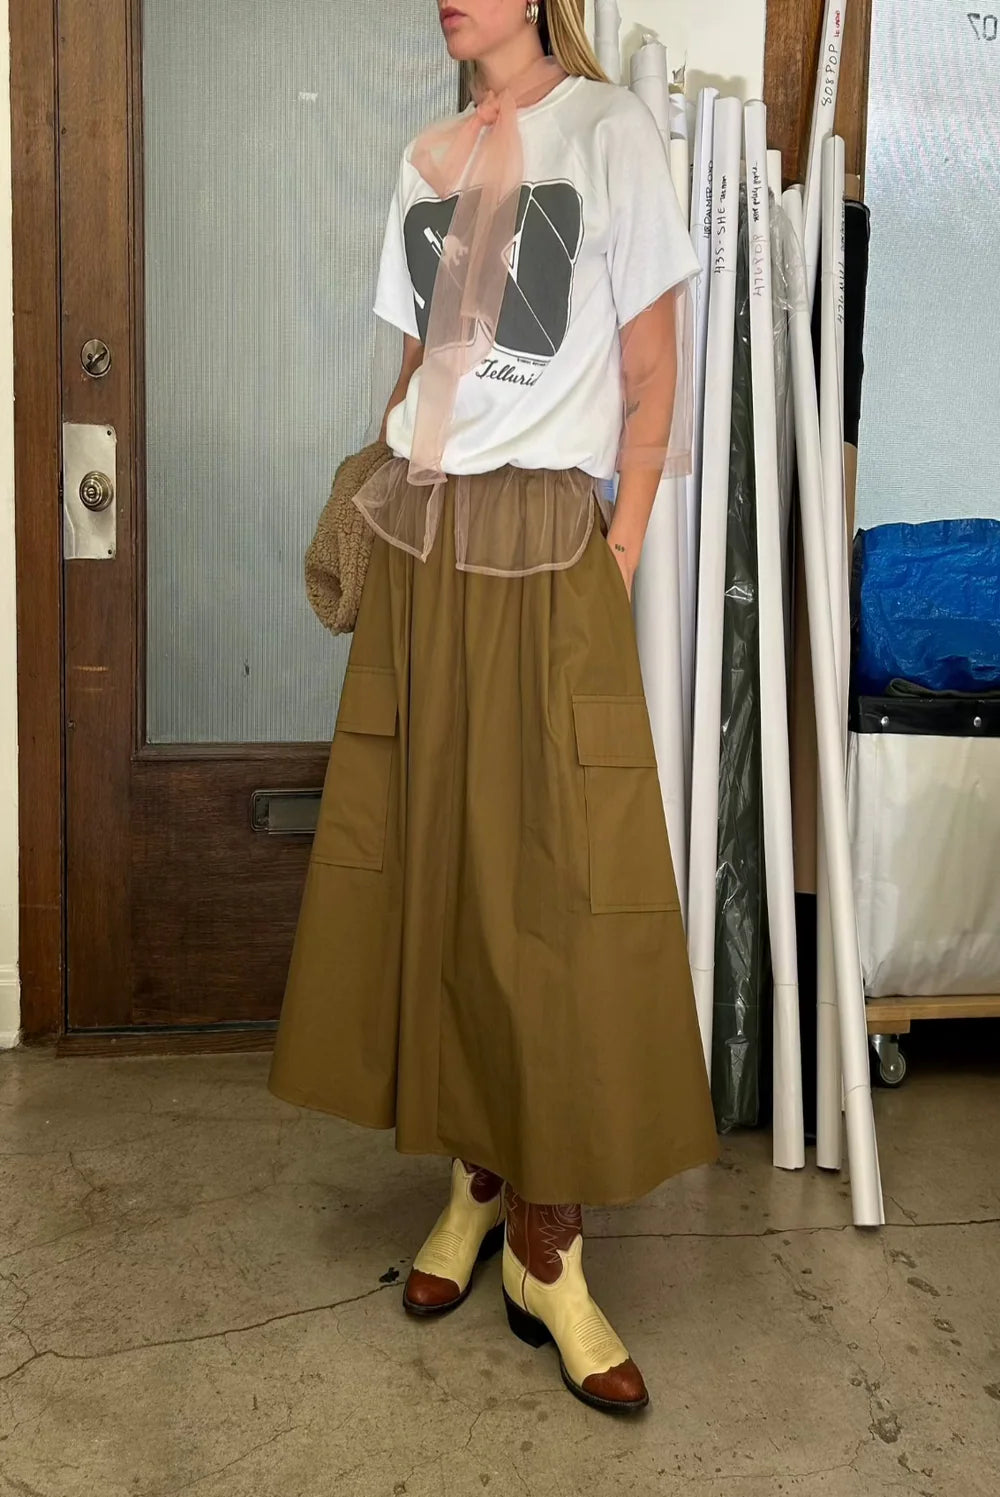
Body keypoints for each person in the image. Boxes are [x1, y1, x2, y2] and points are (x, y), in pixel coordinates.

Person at [269, 0, 718, 1415]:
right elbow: (418, 376)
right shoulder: (425, 157)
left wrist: (622, 549)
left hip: (546, 552)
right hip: (427, 550)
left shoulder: (610, 136)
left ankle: (551, 1240)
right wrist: (378, 489)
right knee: (438, 869)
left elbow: (653, 376)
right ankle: (471, 1180)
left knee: (562, 889)